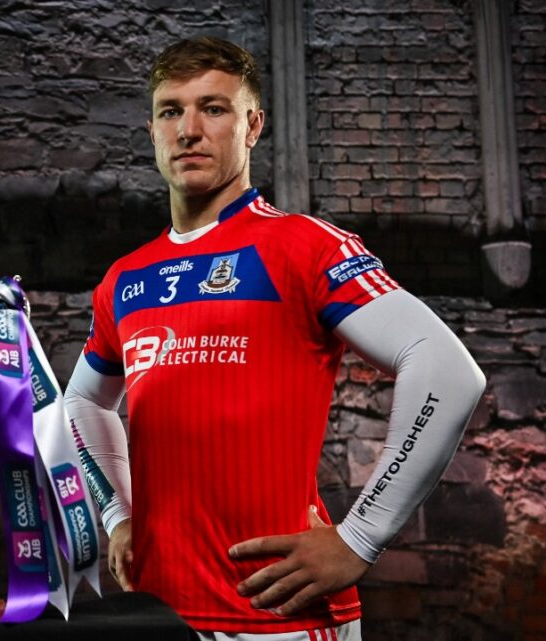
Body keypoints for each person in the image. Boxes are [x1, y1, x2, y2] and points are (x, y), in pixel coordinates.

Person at [64, 37, 485, 640]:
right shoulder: (126, 278)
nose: (188, 130)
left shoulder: (303, 247)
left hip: (277, 616)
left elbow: (445, 370)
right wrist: (118, 513)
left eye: (213, 108)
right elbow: (81, 402)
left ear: (252, 125)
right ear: (153, 130)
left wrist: (360, 536)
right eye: (170, 110)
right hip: (161, 611)